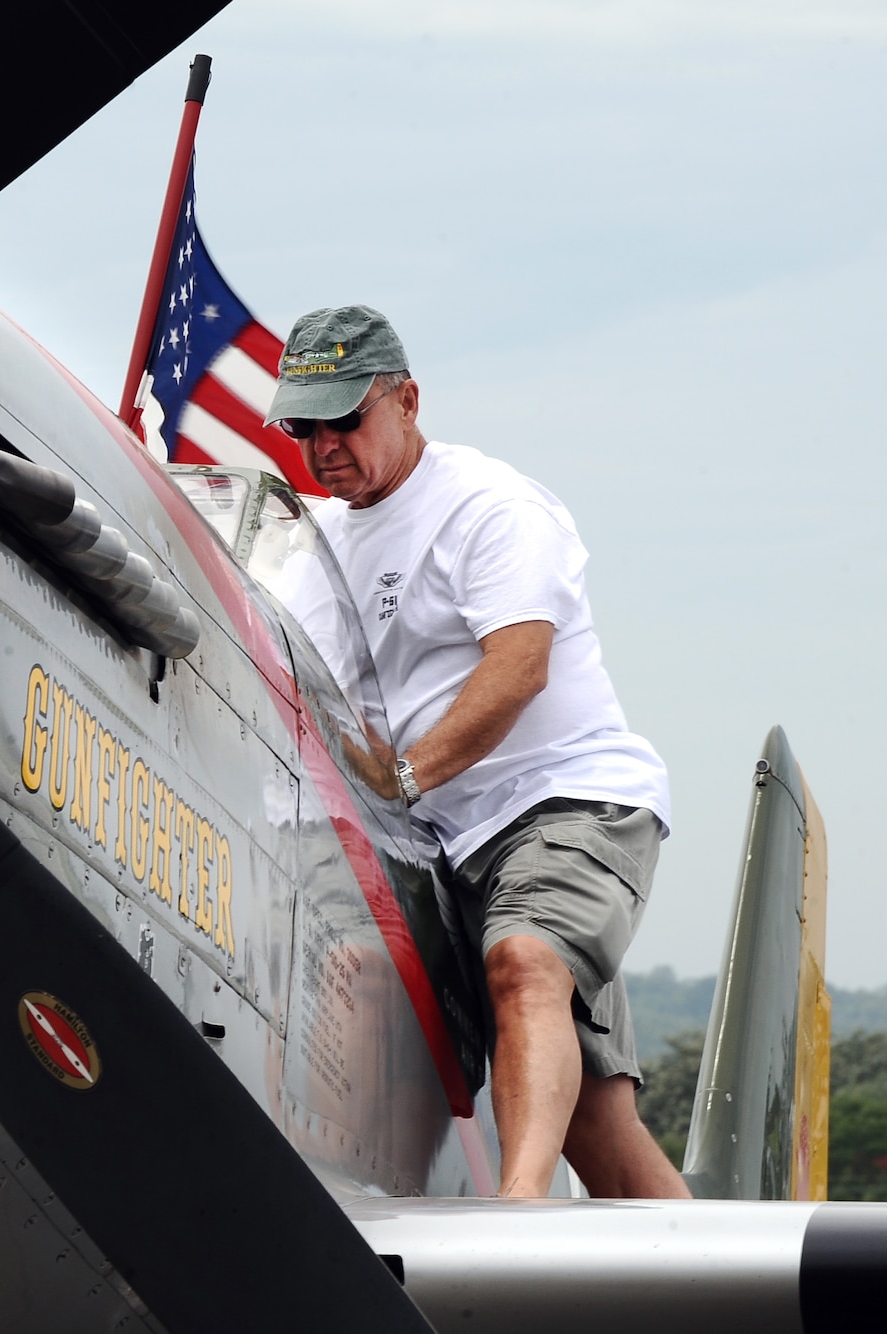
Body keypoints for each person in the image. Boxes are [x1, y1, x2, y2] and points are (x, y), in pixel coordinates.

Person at [265, 305, 687, 1200]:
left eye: (345, 418)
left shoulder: (491, 506)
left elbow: (520, 667)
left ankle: (520, 1212)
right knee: (599, 1126)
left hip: (563, 802)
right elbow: (297, 705)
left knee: (524, 962)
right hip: (442, 852)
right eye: (304, 427)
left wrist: (403, 777)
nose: (323, 445)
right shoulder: (318, 551)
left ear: (408, 400)